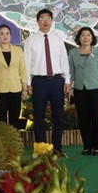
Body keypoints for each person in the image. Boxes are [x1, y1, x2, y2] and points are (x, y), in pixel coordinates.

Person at [23, 9, 70, 154]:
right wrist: (27, 83)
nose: (45, 21)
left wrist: (67, 80)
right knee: (38, 116)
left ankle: (57, 147)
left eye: (48, 18)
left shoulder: (58, 39)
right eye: (42, 18)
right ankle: (41, 149)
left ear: (52, 21)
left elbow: (64, 60)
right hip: (39, 82)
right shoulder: (31, 40)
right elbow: (26, 63)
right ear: (37, 22)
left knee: (58, 116)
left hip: (57, 81)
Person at [68, 27, 98, 156]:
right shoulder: (73, 53)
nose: (85, 38)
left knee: (97, 118)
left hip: (95, 89)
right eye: (83, 35)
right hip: (79, 89)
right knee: (83, 118)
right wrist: (70, 88)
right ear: (79, 38)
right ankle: (87, 145)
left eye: (88, 35)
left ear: (92, 38)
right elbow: (71, 72)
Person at [0, 24, 28, 128]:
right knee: (1, 120)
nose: (5, 36)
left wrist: (24, 89)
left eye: (7, 33)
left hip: (16, 89)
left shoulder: (18, 50)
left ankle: (14, 138)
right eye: (2, 34)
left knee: (15, 119)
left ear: (10, 35)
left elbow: (23, 70)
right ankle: (4, 138)